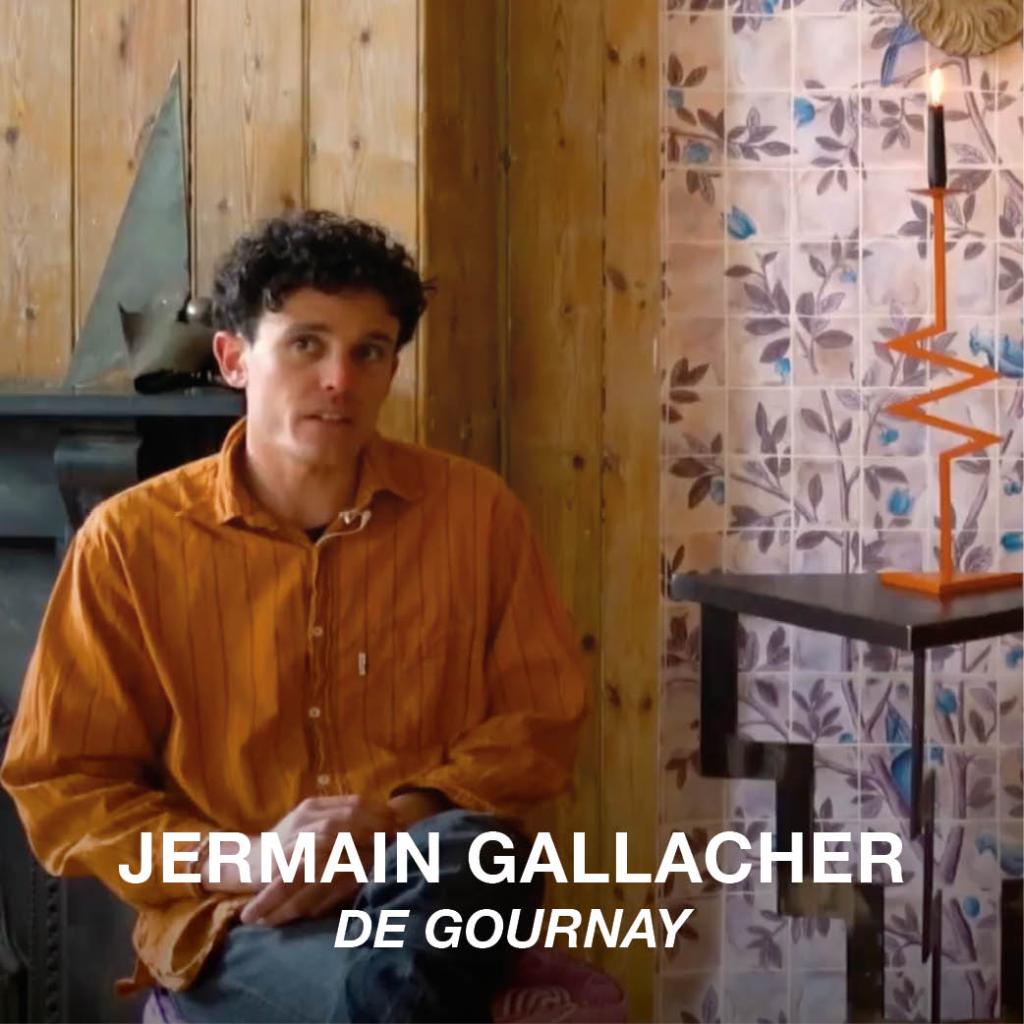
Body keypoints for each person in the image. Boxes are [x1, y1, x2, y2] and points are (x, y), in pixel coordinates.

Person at [1, 211, 587, 1022]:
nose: (340, 379)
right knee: (375, 987)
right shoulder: (129, 542)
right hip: (239, 918)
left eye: (368, 351)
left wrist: (388, 826)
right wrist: (248, 858)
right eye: (306, 344)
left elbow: (538, 725)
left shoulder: (477, 514)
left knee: (472, 852)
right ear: (233, 359)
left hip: (426, 884)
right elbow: (63, 787)